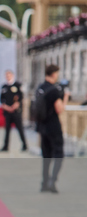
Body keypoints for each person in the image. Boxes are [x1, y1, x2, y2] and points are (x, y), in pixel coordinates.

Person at [36, 64, 68, 193]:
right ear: (54, 74)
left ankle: (44, 182)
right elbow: (59, 109)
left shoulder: (40, 88)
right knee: (59, 154)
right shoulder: (54, 91)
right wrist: (65, 97)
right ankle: (52, 182)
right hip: (53, 126)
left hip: (42, 126)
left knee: (46, 156)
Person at [0, 70, 27, 152]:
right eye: (6, 75)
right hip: (7, 112)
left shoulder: (17, 85)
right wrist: (6, 107)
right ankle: (5, 146)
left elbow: (21, 96)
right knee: (7, 130)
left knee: (20, 128)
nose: (8, 77)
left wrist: (16, 105)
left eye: (9, 75)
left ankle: (24, 145)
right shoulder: (4, 87)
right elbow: (1, 99)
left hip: (16, 112)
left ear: (12, 75)